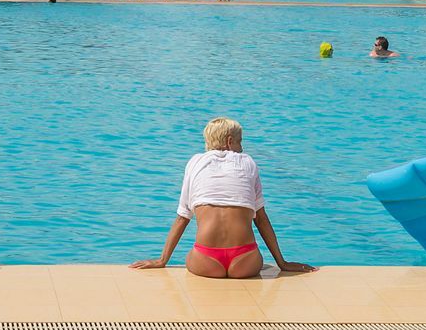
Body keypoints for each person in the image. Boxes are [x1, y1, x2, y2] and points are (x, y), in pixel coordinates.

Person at [130, 117, 314, 279]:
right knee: (260, 260)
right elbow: (262, 219)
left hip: (205, 260)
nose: (242, 148)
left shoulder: (195, 163)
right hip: (245, 260)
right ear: (229, 141)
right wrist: (282, 263)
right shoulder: (248, 163)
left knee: (192, 254)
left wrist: (162, 260)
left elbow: (182, 218)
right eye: (240, 142)